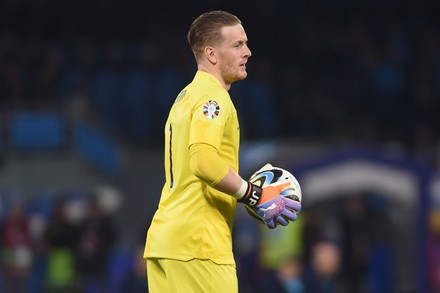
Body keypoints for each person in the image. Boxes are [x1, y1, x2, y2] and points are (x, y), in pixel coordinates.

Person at [144, 10, 301, 293]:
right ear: (212, 54)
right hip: (199, 246)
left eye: (246, 43)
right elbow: (203, 162)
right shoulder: (213, 98)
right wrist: (253, 193)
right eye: (237, 45)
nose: (248, 52)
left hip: (167, 244)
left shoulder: (185, 97)